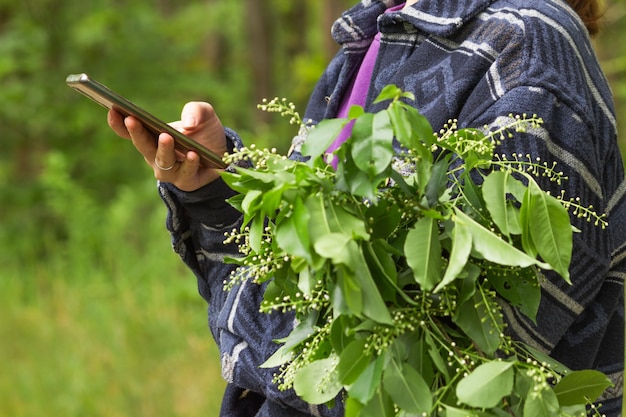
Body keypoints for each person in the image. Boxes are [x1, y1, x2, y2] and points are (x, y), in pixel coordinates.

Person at [108, 0, 625, 416]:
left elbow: (438, 368)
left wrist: (253, 330)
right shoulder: (369, 41)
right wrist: (215, 190)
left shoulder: (528, 50)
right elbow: (296, 274)